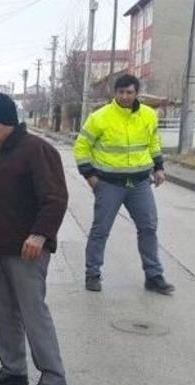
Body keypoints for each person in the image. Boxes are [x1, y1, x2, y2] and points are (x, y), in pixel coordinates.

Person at [0, 93, 69, 385]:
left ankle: (54, 377)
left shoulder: (36, 150)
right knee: (3, 312)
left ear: (10, 123)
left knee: (32, 312)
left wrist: (40, 234)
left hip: (26, 250)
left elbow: (54, 198)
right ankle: (13, 369)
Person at [73, 74, 174, 295]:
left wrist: (159, 168)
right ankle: (92, 274)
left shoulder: (148, 115)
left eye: (129, 92)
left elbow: (153, 143)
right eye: (121, 92)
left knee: (148, 228)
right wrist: (90, 176)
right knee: (100, 230)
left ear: (137, 93)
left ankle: (154, 276)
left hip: (139, 184)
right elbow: (81, 147)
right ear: (115, 93)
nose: (125, 96)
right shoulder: (100, 117)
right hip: (109, 184)